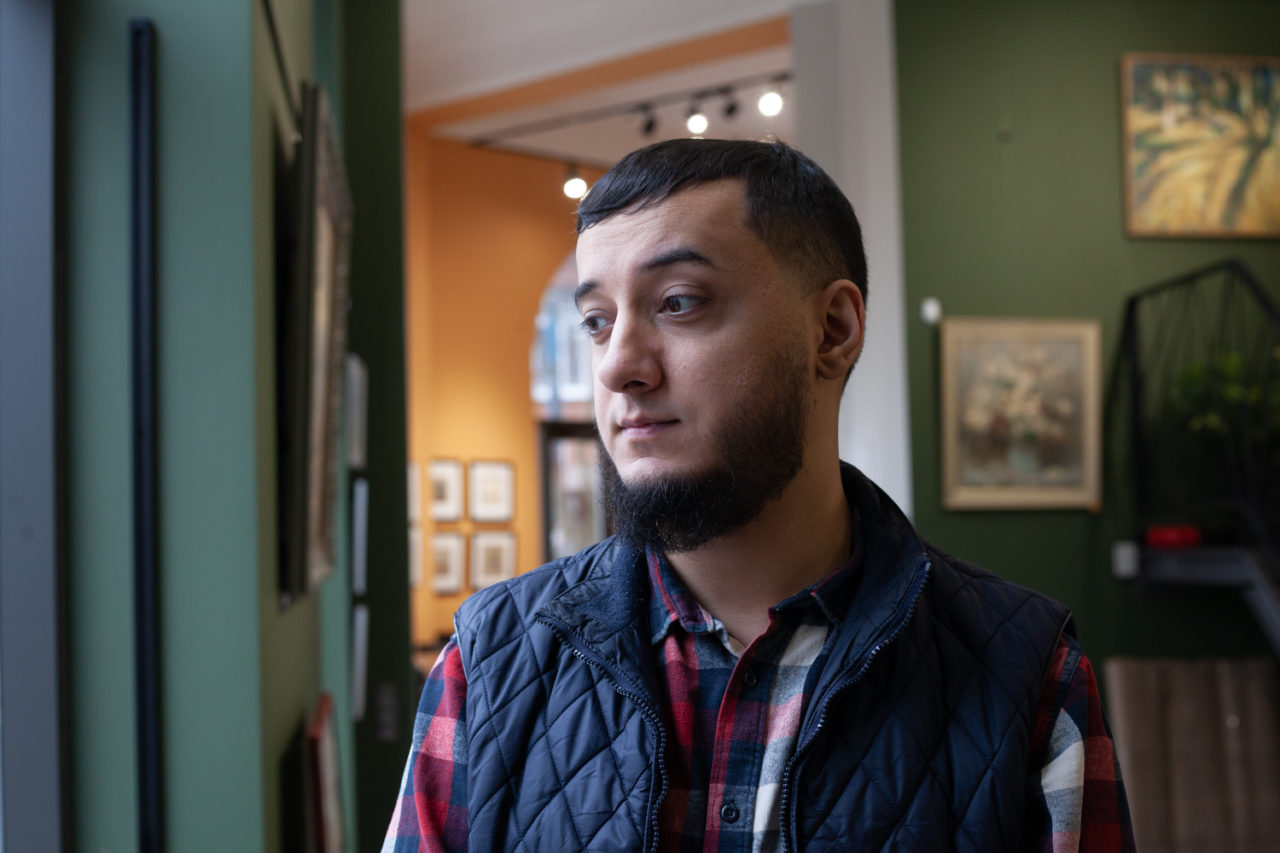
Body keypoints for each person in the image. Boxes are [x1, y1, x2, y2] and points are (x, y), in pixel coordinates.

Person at [383, 139, 1133, 852]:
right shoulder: (487, 664)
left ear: (832, 330)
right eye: (597, 322)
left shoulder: (1029, 676)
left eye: (678, 302)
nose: (616, 367)